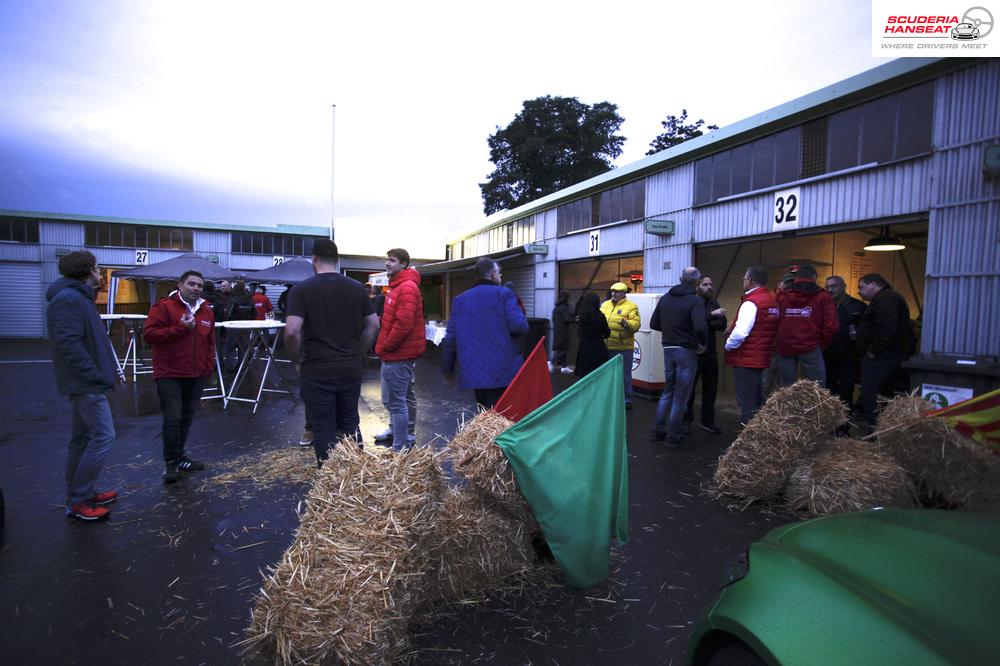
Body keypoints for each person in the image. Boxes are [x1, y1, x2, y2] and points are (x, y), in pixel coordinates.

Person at [284, 239, 379, 465]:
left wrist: (296, 360)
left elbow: (291, 332)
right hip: (349, 367)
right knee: (349, 422)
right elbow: (374, 325)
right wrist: (359, 352)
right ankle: (356, 476)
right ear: (336, 260)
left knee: (323, 426)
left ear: (314, 259)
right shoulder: (357, 288)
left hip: (317, 368)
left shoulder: (301, 291)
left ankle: (329, 482)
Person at [46, 250, 120, 521]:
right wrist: (96, 375)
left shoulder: (77, 298)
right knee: (103, 436)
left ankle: (81, 492)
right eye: (97, 268)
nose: (100, 273)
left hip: (85, 381)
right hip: (85, 383)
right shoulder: (69, 300)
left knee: (82, 438)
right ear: (88, 271)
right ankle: (78, 500)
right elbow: (69, 345)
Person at [144, 270, 216, 484]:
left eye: (199, 285)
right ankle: (171, 462)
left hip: (196, 375)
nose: (196, 288)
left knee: (186, 418)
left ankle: (180, 455)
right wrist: (180, 329)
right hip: (170, 374)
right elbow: (149, 335)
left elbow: (209, 343)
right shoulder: (164, 307)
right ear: (180, 285)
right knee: (173, 419)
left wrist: (207, 368)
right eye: (191, 284)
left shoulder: (206, 311)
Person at [441, 257, 528, 409]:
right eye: (499, 274)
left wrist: (448, 369)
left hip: (474, 372)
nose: (500, 277)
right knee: (504, 417)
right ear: (494, 274)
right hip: (504, 370)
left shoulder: (460, 300)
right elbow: (520, 326)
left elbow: (450, 339)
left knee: (484, 416)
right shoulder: (505, 294)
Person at [650, 267, 708, 447]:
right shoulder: (695, 301)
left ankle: (659, 430)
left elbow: (654, 323)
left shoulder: (667, 297)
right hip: (686, 350)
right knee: (681, 394)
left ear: (680, 278)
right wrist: (702, 343)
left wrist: (670, 333)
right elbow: (700, 326)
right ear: (697, 282)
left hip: (668, 347)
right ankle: (673, 435)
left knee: (668, 390)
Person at [373, 248, 424, 450]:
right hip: (399, 353)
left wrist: (386, 346)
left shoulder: (407, 287)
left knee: (396, 401)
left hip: (398, 354)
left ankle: (400, 444)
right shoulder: (398, 286)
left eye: (392, 260)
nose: (387, 263)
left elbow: (403, 324)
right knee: (405, 396)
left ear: (403, 264)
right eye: (387, 259)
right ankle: (402, 433)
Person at [856, 273, 914, 430]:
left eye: (861, 287)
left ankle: (874, 427)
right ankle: (882, 426)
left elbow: (887, 326)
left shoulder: (885, 298)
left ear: (873, 285)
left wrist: (874, 350)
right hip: (887, 354)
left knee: (871, 390)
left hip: (884, 355)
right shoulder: (887, 298)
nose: (859, 292)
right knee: (883, 390)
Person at [725, 266, 780, 425]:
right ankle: (760, 434)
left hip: (746, 359)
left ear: (750, 280)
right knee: (757, 399)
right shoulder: (771, 301)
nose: (743, 281)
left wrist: (728, 345)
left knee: (747, 402)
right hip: (762, 357)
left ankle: (749, 439)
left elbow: (740, 332)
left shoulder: (751, 302)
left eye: (744, 278)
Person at [775, 265, 838, 387]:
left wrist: (778, 341)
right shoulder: (823, 296)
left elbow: (773, 321)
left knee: (787, 389)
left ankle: (789, 407)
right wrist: (821, 343)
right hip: (811, 346)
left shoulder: (782, 296)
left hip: (786, 346)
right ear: (814, 277)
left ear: (796, 278)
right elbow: (830, 325)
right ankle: (813, 407)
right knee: (816, 387)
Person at [683, 275, 727, 434]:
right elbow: (692, 324)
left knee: (711, 389)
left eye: (710, 284)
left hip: (710, 353)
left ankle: (707, 420)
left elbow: (722, 323)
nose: (709, 287)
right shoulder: (693, 302)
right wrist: (712, 316)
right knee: (689, 390)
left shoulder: (713, 302)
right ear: (697, 286)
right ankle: (686, 421)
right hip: (694, 353)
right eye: (705, 284)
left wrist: (709, 320)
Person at [823, 275, 866, 434]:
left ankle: (843, 426)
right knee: (828, 391)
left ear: (844, 286)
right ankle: (829, 425)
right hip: (827, 356)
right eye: (827, 287)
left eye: (834, 286)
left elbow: (865, 331)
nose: (830, 290)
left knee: (846, 391)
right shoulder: (825, 306)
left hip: (848, 357)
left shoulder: (857, 306)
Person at [599, 282, 641, 409]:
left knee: (625, 375)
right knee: (607, 375)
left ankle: (627, 399)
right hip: (606, 346)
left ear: (623, 293)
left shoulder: (631, 306)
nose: (614, 294)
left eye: (617, 291)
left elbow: (636, 325)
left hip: (623, 347)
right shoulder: (604, 305)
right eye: (613, 291)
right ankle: (609, 397)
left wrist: (627, 324)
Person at [574, 291, 610, 379]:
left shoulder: (581, 316)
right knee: (598, 376)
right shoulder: (600, 316)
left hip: (583, 347)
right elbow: (607, 333)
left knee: (584, 376)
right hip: (598, 347)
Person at [222, 281, 254, 373]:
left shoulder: (233, 299)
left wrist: (227, 323)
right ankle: (241, 366)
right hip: (246, 327)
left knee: (230, 348)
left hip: (233, 327)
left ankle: (230, 367)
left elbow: (228, 313)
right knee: (242, 348)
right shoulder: (249, 300)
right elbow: (254, 313)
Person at [549, 291, 574, 374]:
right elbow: (567, 319)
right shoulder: (564, 308)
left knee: (561, 350)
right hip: (563, 332)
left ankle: (564, 367)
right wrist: (574, 319)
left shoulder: (556, 308)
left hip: (557, 331)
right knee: (564, 350)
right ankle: (551, 361)